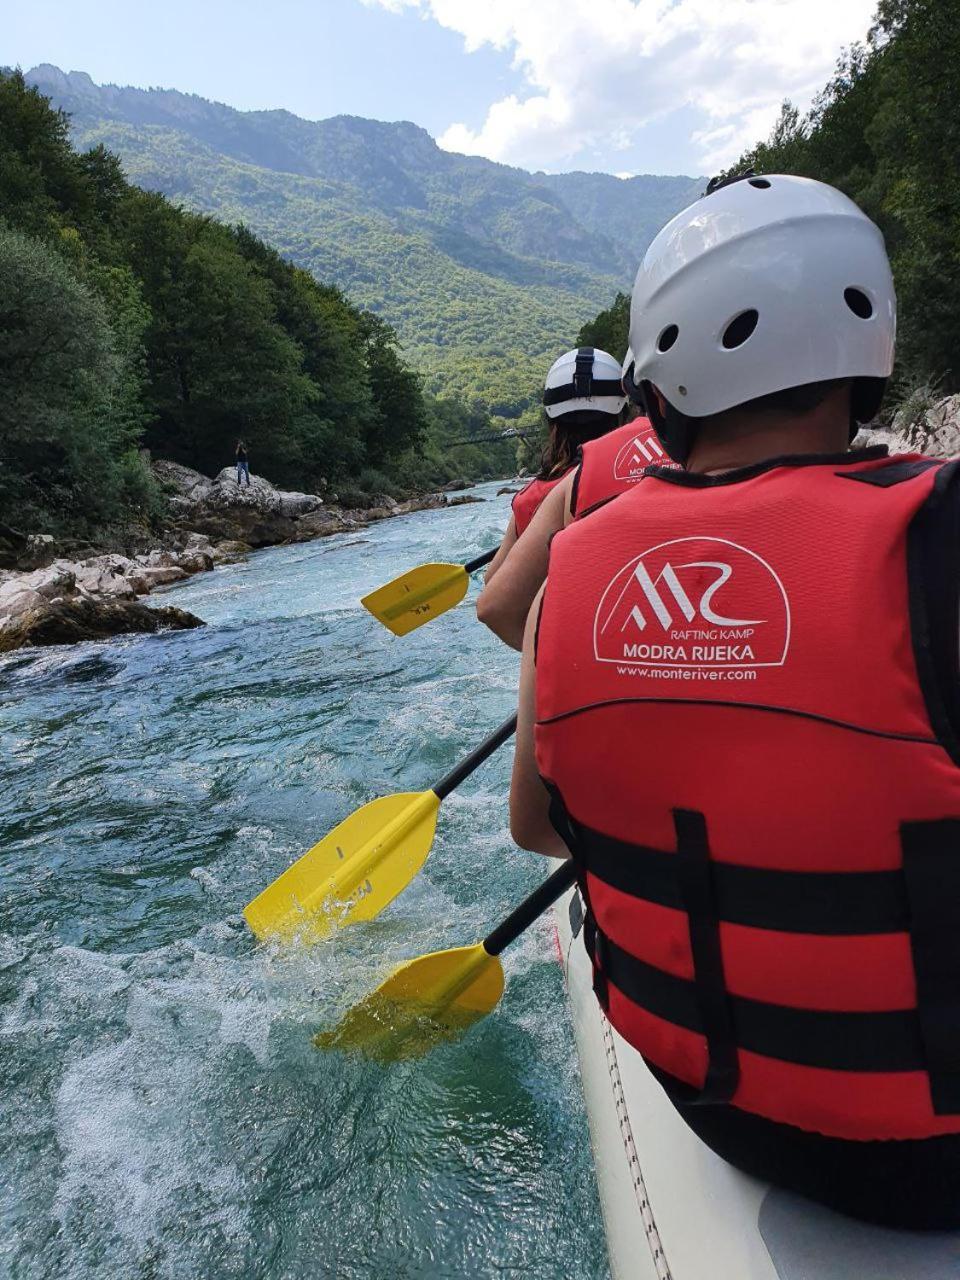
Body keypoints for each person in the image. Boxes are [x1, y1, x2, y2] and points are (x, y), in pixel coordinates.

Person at [509, 172, 960, 1230]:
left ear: (658, 394)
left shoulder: (567, 570)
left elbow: (537, 827)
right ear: (869, 369)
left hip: (717, 1107)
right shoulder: (938, 535)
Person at [477, 349, 677, 647]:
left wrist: (547, 658)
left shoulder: (533, 498)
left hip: (588, 649)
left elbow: (494, 598)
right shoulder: (676, 453)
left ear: (552, 422)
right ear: (626, 408)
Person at [483, 347, 627, 587]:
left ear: (553, 425)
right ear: (623, 415)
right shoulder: (648, 475)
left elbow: (492, 587)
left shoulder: (531, 498)